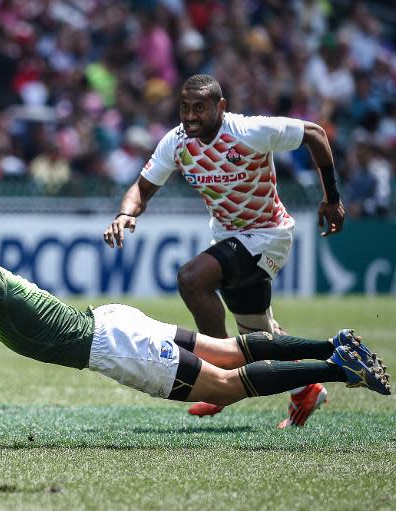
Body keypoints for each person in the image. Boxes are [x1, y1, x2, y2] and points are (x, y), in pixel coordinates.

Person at [0, 222, 389, 420]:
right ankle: (332, 342)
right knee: (228, 352)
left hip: (110, 346)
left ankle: (340, 366)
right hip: (111, 322)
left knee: (224, 386)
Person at [103, 74, 347, 428]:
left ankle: (218, 380)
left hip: (267, 235)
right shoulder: (176, 142)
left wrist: (332, 198)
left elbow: (316, 135)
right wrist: (125, 213)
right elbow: (141, 188)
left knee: (192, 278)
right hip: (230, 240)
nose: (190, 116)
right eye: (184, 107)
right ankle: (305, 389)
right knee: (257, 336)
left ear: (220, 107)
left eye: (199, 107)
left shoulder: (249, 131)